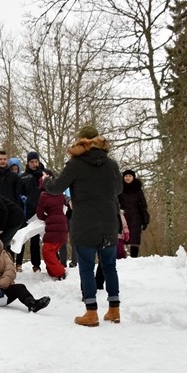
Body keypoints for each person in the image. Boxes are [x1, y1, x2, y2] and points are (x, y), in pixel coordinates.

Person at [42, 126, 123, 326]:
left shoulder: (76, 164)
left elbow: (57, 188)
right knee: (110, 266)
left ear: (81, 141)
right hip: (109, 222)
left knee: (86, 267)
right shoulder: (111, 164)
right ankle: (114, 310)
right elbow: (119, 188)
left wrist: (46, 182)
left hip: (85, 222)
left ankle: (91, 312)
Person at [36, 177, 68, 279]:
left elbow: (39, 214)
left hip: (52, 226)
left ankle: (60, 272)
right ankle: (53, 272)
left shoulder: (43, 196)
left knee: (47, 250)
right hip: (63, 224)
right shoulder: (61, 195)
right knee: (53, 250)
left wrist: (47, 218)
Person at [18, 152, 45, 272]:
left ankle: (44, 263)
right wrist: (24, 198)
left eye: (36, 161)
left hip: (44, 210)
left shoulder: (45, 174)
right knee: (29, 238)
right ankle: (28, 264)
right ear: (28, 163)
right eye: (32, 162)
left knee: (45, 238)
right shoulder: (23, 177)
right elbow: (19, 192)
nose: (34, 164)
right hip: (29, 211)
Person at [118, 169, 150, 258]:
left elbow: (143, 205)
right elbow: (115, 203)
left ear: (133, 177)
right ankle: (121, 259)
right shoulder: (119, 189)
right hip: (122, 217)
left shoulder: (138, 190)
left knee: (135, 240)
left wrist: (145, 220)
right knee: (121, 238)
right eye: (126, 176)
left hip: (136, 217)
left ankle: (134, 259)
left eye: (130, 176)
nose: (128, 178)